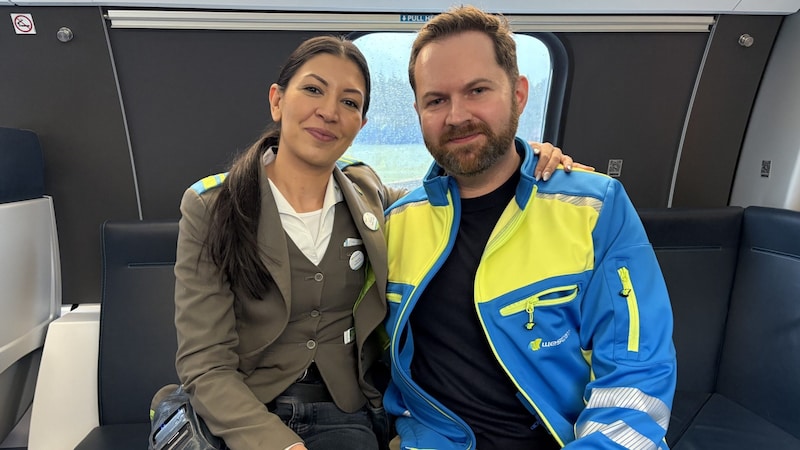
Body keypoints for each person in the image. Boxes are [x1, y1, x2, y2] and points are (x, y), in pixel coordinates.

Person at [164, 35, 578, 450]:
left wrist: (524, 158)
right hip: (244, 412)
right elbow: (205, 364)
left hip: (342, 414)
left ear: (361, 125)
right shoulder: (212, 205)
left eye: (349, 102)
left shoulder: (369, 194)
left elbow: (452, 193)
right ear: (277, 100)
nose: (328, 112)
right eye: (313, 89)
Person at [382, 5, 677, 450]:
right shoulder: (393, 224)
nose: (457, 115)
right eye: (436, 100)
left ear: (519, 94)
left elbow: (637, 373)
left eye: (477, 90)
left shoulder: (594, 208)